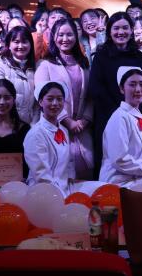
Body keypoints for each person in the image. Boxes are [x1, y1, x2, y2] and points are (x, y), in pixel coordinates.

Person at [88, 12, 142, 172]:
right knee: (112, 162)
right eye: (116, 28)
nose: (121, 32)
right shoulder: (101, 56)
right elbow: (96, 88)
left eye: (125, 28)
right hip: (108, 117)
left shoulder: (139, 56)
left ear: (131, 30)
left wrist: (135, 112)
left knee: (137, 159)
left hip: (136, 117)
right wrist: (120, 113)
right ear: (109, 31)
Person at [34, 18, 94, 180]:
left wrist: (85, 120)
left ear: (76, 36)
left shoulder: (83, 64)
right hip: (57, 127)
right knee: (60, 176)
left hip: (82, 130)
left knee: (86, 177)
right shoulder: (45, 65)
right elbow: (43, 98)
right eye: (60, 35)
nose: (65, 39)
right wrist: (67, 121)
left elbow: (91, 96)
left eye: (69, 34)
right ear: (53, 37)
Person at [24, 80, 74, 194]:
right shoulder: (36, 134)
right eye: (50, 99)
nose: (55, 103)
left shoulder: (64, 130)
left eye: (59, 99)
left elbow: (70, 162)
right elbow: (42, 175)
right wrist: (63, 196)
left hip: (65, 187)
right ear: (41, 102)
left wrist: (71, 181)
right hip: (44, 192)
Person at [0, 26, 37, 124]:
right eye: (16, 42)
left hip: (29, 126)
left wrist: (33, 126)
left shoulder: (35, 68)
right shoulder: (0, 65)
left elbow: (37, 105)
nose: (20, 46)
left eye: (24, 42)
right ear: (9, 45)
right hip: (4, 124)